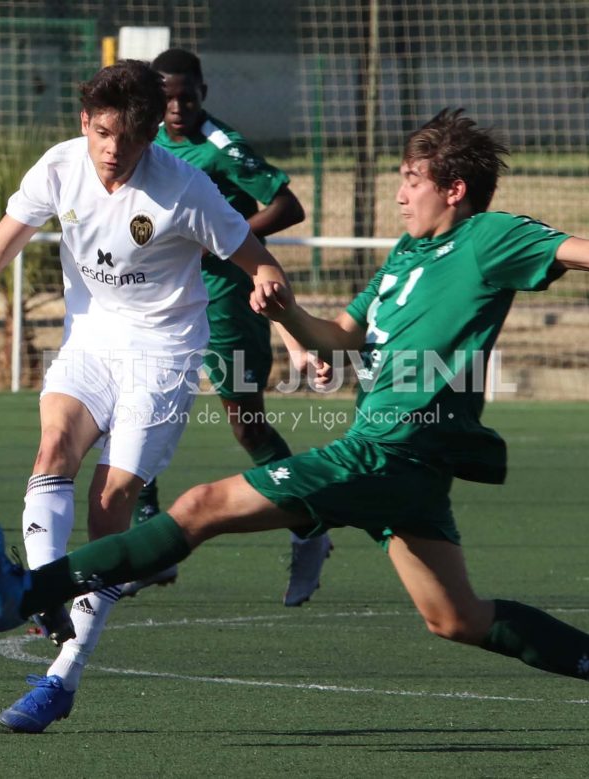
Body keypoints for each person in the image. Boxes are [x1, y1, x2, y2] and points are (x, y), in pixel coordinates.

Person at [0, 108, 589, 745]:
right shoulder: (402, 256)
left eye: (410, 180)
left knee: (201, 507)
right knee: (455, 617)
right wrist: (289, 314)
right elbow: (343, 335)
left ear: (454, 189)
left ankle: (35, 589)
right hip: (407, 467)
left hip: (386, 448)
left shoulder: (492, 240)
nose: (399, 193)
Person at [0, 60, 305, 734]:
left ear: (148, 138)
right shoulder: (60, 167)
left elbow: (257, 256)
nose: (113, 150)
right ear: (85, 124)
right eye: (103, 133)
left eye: (129, 138)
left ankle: (62, 676)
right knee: (53, 447)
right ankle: (48, 594)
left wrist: (272, 292)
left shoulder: (184, 188)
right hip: (90, 343)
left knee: (110, 506)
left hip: (163, 353)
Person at [120, 48, 331, 607]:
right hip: (163, 306)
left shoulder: (223, 147)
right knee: (138, 406)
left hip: (225, 306)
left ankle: (309, 520)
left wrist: (223, 237)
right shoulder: (145, 139)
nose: (176, 107)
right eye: (166, 97)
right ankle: (149, 549)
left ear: (203, 93)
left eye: (186, 96)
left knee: (248, 427)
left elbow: (287, 206)